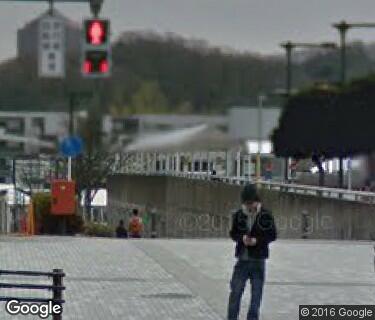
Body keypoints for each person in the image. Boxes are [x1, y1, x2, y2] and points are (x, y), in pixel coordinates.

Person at [227, 184, 277, 320]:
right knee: (235, 292)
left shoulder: (265, 215)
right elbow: (233, 233)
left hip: (258, 260)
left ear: (256, 200)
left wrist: (257, 241)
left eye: (251, 203)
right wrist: (242, 238)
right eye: (246, 203)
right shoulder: (239, 215)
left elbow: (272, 235)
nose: (249, 207)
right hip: (242, 260)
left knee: (256, 296)